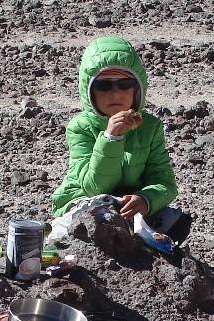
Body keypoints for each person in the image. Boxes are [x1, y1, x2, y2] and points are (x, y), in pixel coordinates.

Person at [51, 36, 191, 244]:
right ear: (89, 91)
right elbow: (94, 187)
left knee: (176, 221)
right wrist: (111, 138)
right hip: (87, 200)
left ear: (137, 88)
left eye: (125, 83)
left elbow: (164, 182)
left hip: (128, 204)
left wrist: (146, 200)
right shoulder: (80, 128)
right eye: (104, 86)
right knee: (98, 216)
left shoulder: (150, 127)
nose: (115, 93)